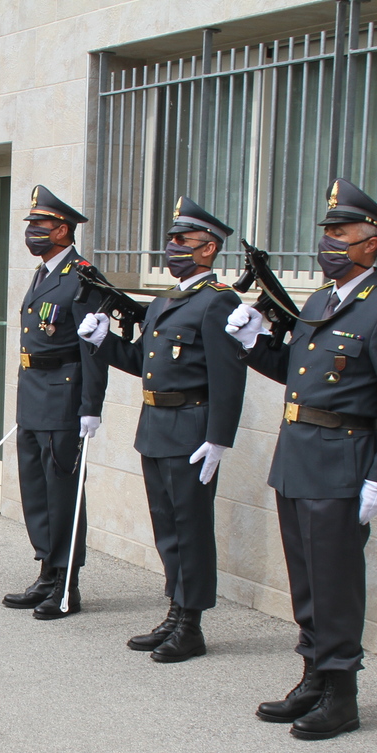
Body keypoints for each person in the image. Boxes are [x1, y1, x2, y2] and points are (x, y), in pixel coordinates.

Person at [226, 179, 377, 738]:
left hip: (343, 462)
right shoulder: (319, 300)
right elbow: (296, 373)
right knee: (307, 580)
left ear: (372, 242)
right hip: (298, 458)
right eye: (328, 233)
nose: (329, 243)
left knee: (336, 583)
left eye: (341, 233)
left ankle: (341, 692)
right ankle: (313, 674)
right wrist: (255, 343)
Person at [78, 197, 248, 662]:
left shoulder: (218, 302)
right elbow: (142, 364)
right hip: (155, 425)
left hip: (192, 430)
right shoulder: (164, 301)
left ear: (208, 249)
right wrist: (103, 342)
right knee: (168, 528)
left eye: (182, 241)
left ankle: (191, 624)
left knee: (191, 528)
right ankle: (175, 611)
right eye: (170, 240)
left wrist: (218, 438)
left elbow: (229, 376)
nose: (171, 248)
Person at [1, 186, 109, 619]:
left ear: (63, 229)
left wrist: (90, 406)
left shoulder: (83, 277)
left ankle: (67, 584)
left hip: (64, 397)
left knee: (62, 493)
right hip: (33, 394)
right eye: (31, 226)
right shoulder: (45, 273)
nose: (33, 233)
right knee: (37, 491)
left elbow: (93, 348)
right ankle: (46, 571)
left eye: (40, 226)